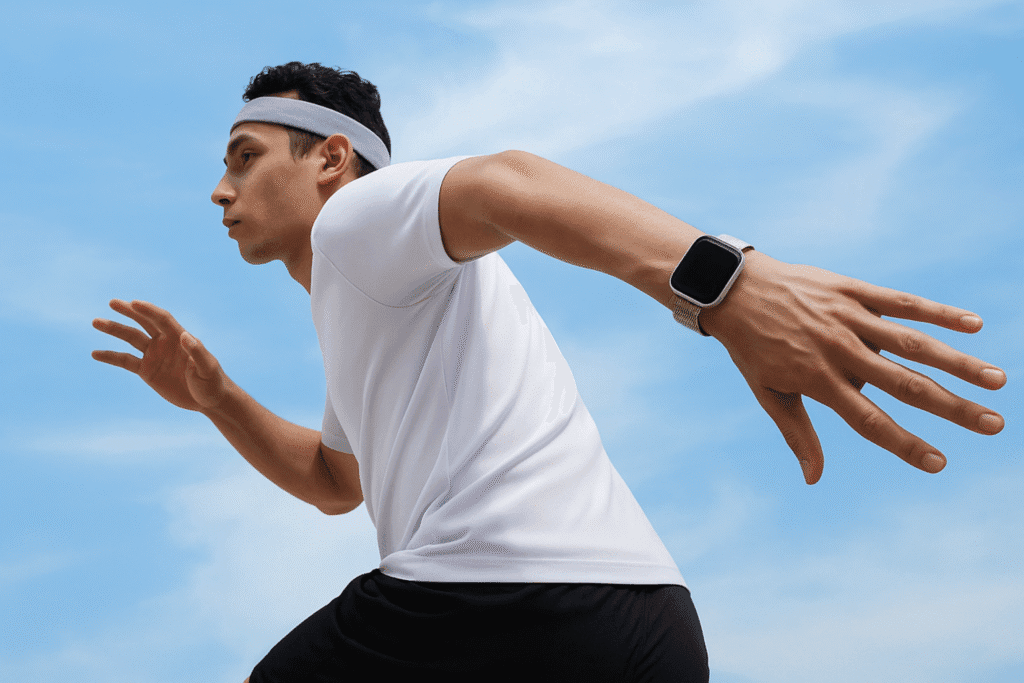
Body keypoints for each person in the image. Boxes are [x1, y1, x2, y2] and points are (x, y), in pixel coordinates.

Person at [91, 62, 1007, 682]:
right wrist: (214, 397)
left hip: (506, 600)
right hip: (645, 624)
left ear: (332, 157)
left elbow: (509, 184)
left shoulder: (358, 220)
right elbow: (337, 482)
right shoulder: (376, 301)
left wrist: (720, 285)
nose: (221, 189)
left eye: (245, 159)